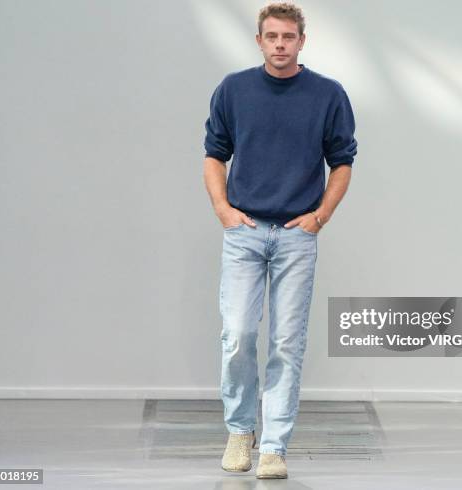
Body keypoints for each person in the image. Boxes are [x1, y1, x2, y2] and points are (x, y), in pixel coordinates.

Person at [203, 1, 357, 479]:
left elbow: (343, 160)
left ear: (302, 42)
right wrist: (224, 211)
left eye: (288, 37)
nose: (280, 45)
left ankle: (274, 447)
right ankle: (239, 432)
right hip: (244, 233)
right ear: (259, 41)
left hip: (296, 236)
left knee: (287, 342)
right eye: (271, 37)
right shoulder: (234, 89)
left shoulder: (328, 94)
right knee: (238, 335)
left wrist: (321, 216)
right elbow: (214, 154)